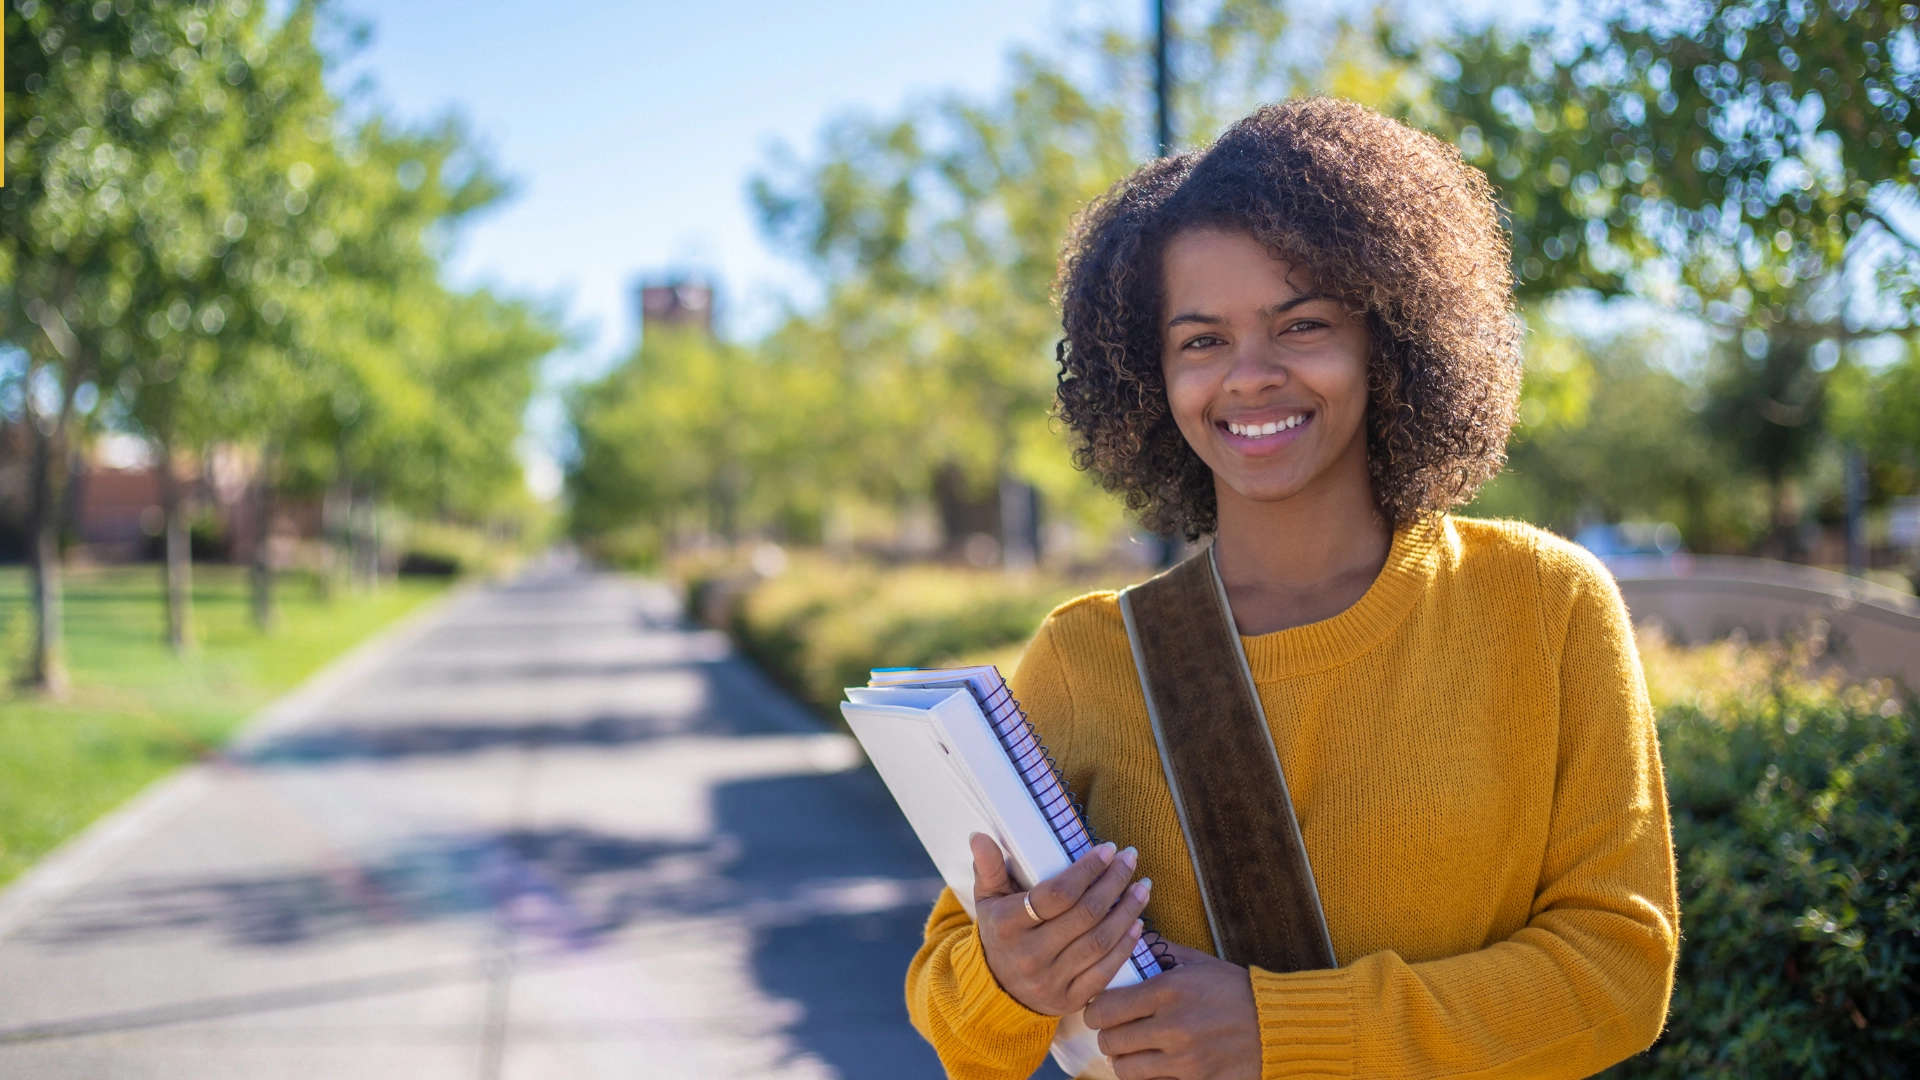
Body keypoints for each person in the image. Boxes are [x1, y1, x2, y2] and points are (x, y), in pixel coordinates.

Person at [903, 98, 1679, 1080]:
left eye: (1301, 324)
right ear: (1149, 377)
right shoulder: (1085, 657)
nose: (1251, 376)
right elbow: (949, 998)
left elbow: (1619, 972)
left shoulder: (1546, 604)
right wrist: (1010, 979)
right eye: (1201, 340)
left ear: (1390, 338)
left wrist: (1282, 1030)